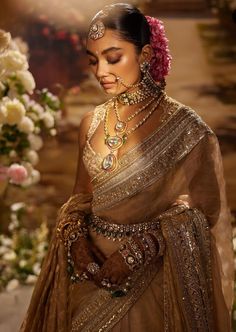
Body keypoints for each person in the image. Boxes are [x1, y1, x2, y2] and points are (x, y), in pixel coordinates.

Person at [20, 3, 234, 331]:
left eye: (113, 57)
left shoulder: (187, 129)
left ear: (145, 55)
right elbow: (80, 197)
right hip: (89, 278)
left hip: (152, 287)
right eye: (93, 60)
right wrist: (76, 239)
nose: (100, 71)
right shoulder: (91, 123)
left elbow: (205, 216)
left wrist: (140, 250)